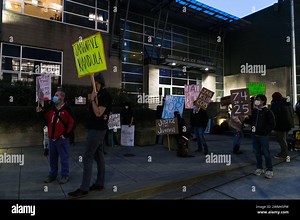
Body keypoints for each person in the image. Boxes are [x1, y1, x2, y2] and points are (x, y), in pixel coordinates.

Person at [68, 73, 112, 198]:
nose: (94, 86)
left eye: (96, 84)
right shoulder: (98, 94)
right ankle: (99, 183)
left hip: (97, 130)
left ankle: (84, 188)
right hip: (95, 129)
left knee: (87, 157)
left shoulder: (105, 95)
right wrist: (92, 100)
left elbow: (98, 113)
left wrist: (92, 100)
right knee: (98, 156)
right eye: (93, 84)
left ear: (101, 83)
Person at [36, 90, 74, 184]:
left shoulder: (67, 109)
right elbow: (45, 119)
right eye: (54, 95)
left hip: (62, 139)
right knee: (52, 159)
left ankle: (65, 175)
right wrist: (40, 112)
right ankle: (52, 174)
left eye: (56, 95)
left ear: (62, 97)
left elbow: (72, 123)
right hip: (52, 139)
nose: (54, 97)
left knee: (64, 158)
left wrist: (66, 134)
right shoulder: (51, 109)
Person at [251, 94, 276, 179]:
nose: (256, 101)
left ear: (263, 101)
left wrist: (265, 131)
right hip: (255, 135)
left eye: (258, 99)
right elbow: (251, 121)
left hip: (263, 136)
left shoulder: (267, 111)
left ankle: (269, 169)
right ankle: (259, 168)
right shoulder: (254, 111)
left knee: (266, 152)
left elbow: (272, 124)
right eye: (256, 100)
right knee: (257, 152)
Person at [271, 92, 294, 159]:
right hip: (287, 124)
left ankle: (284, 154)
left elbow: (273, 115)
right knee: (284, 139)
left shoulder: (276, 104)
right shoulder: (287, 103)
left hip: (280, 125)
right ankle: (285, 152)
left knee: (281, 139)